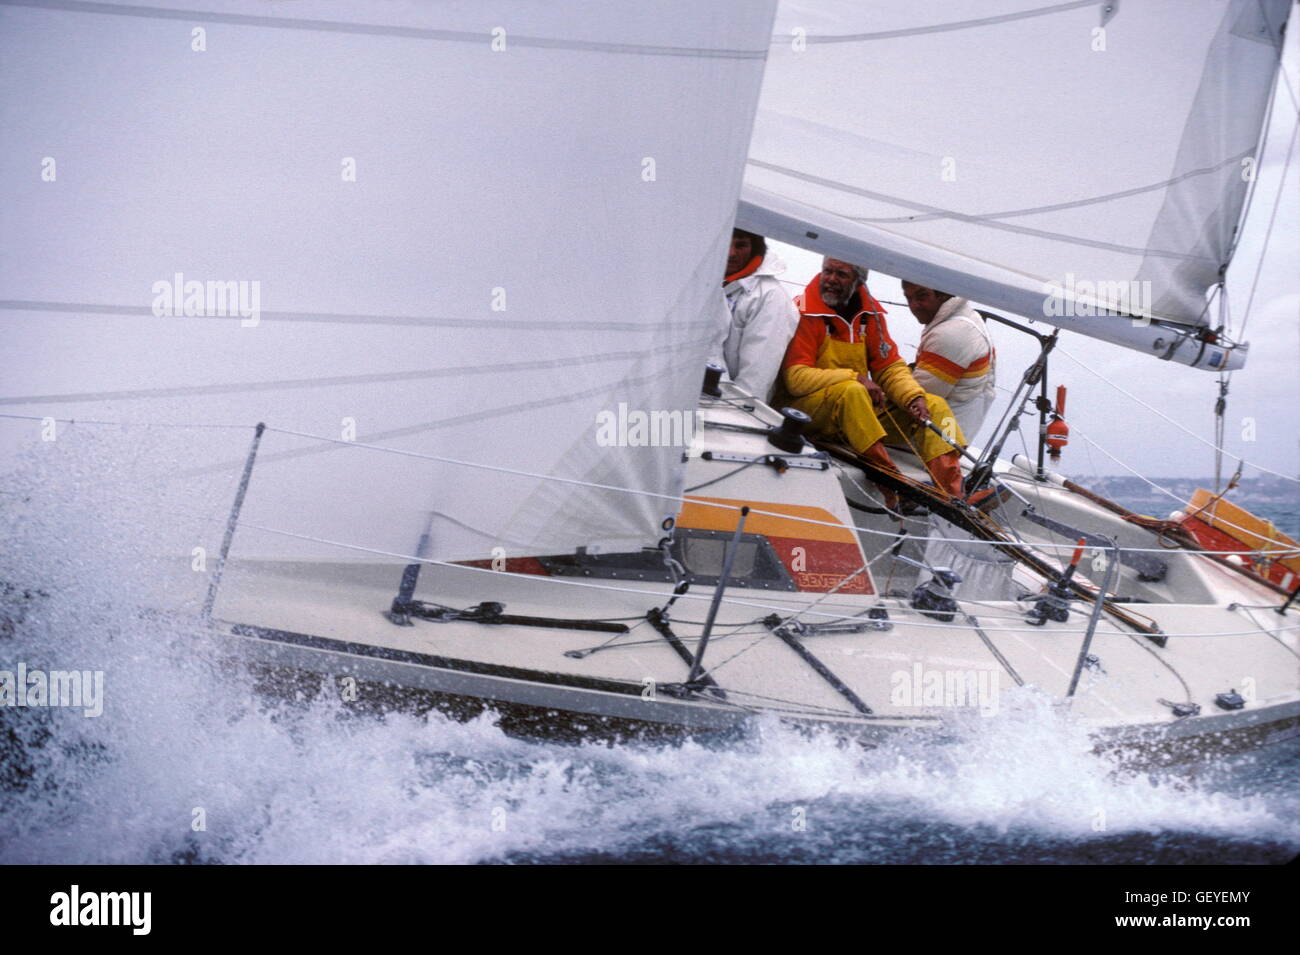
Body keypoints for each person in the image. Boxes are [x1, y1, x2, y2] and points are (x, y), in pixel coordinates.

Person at [772, 257, 965, 504]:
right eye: (827, 271)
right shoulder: (806, 311)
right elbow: (795, 379)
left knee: (935, 404)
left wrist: (912, 396)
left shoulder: (870, 315)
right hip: (807, 412)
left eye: (841, 274)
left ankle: (952, 492)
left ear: (858, 280)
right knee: (852, 391)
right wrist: (856, 377)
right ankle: (891, 484)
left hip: (855, 415)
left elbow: (888, 366)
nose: (831, 279)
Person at [708, 228, 800, 403]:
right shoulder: (706, 283)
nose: (731, 253)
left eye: (740, 245)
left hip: (727, 405)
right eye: (726, 242)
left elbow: (756, 378)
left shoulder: (771, 297)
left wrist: (732, 413)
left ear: (755, 248)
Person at [901, 281, 997, 439]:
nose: (914, 306)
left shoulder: (951, 334)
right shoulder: (968, 318)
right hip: (957, 433)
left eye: (921, 296)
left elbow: (918, 395)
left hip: (932, 438)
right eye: (909, 298)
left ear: (944, 293)